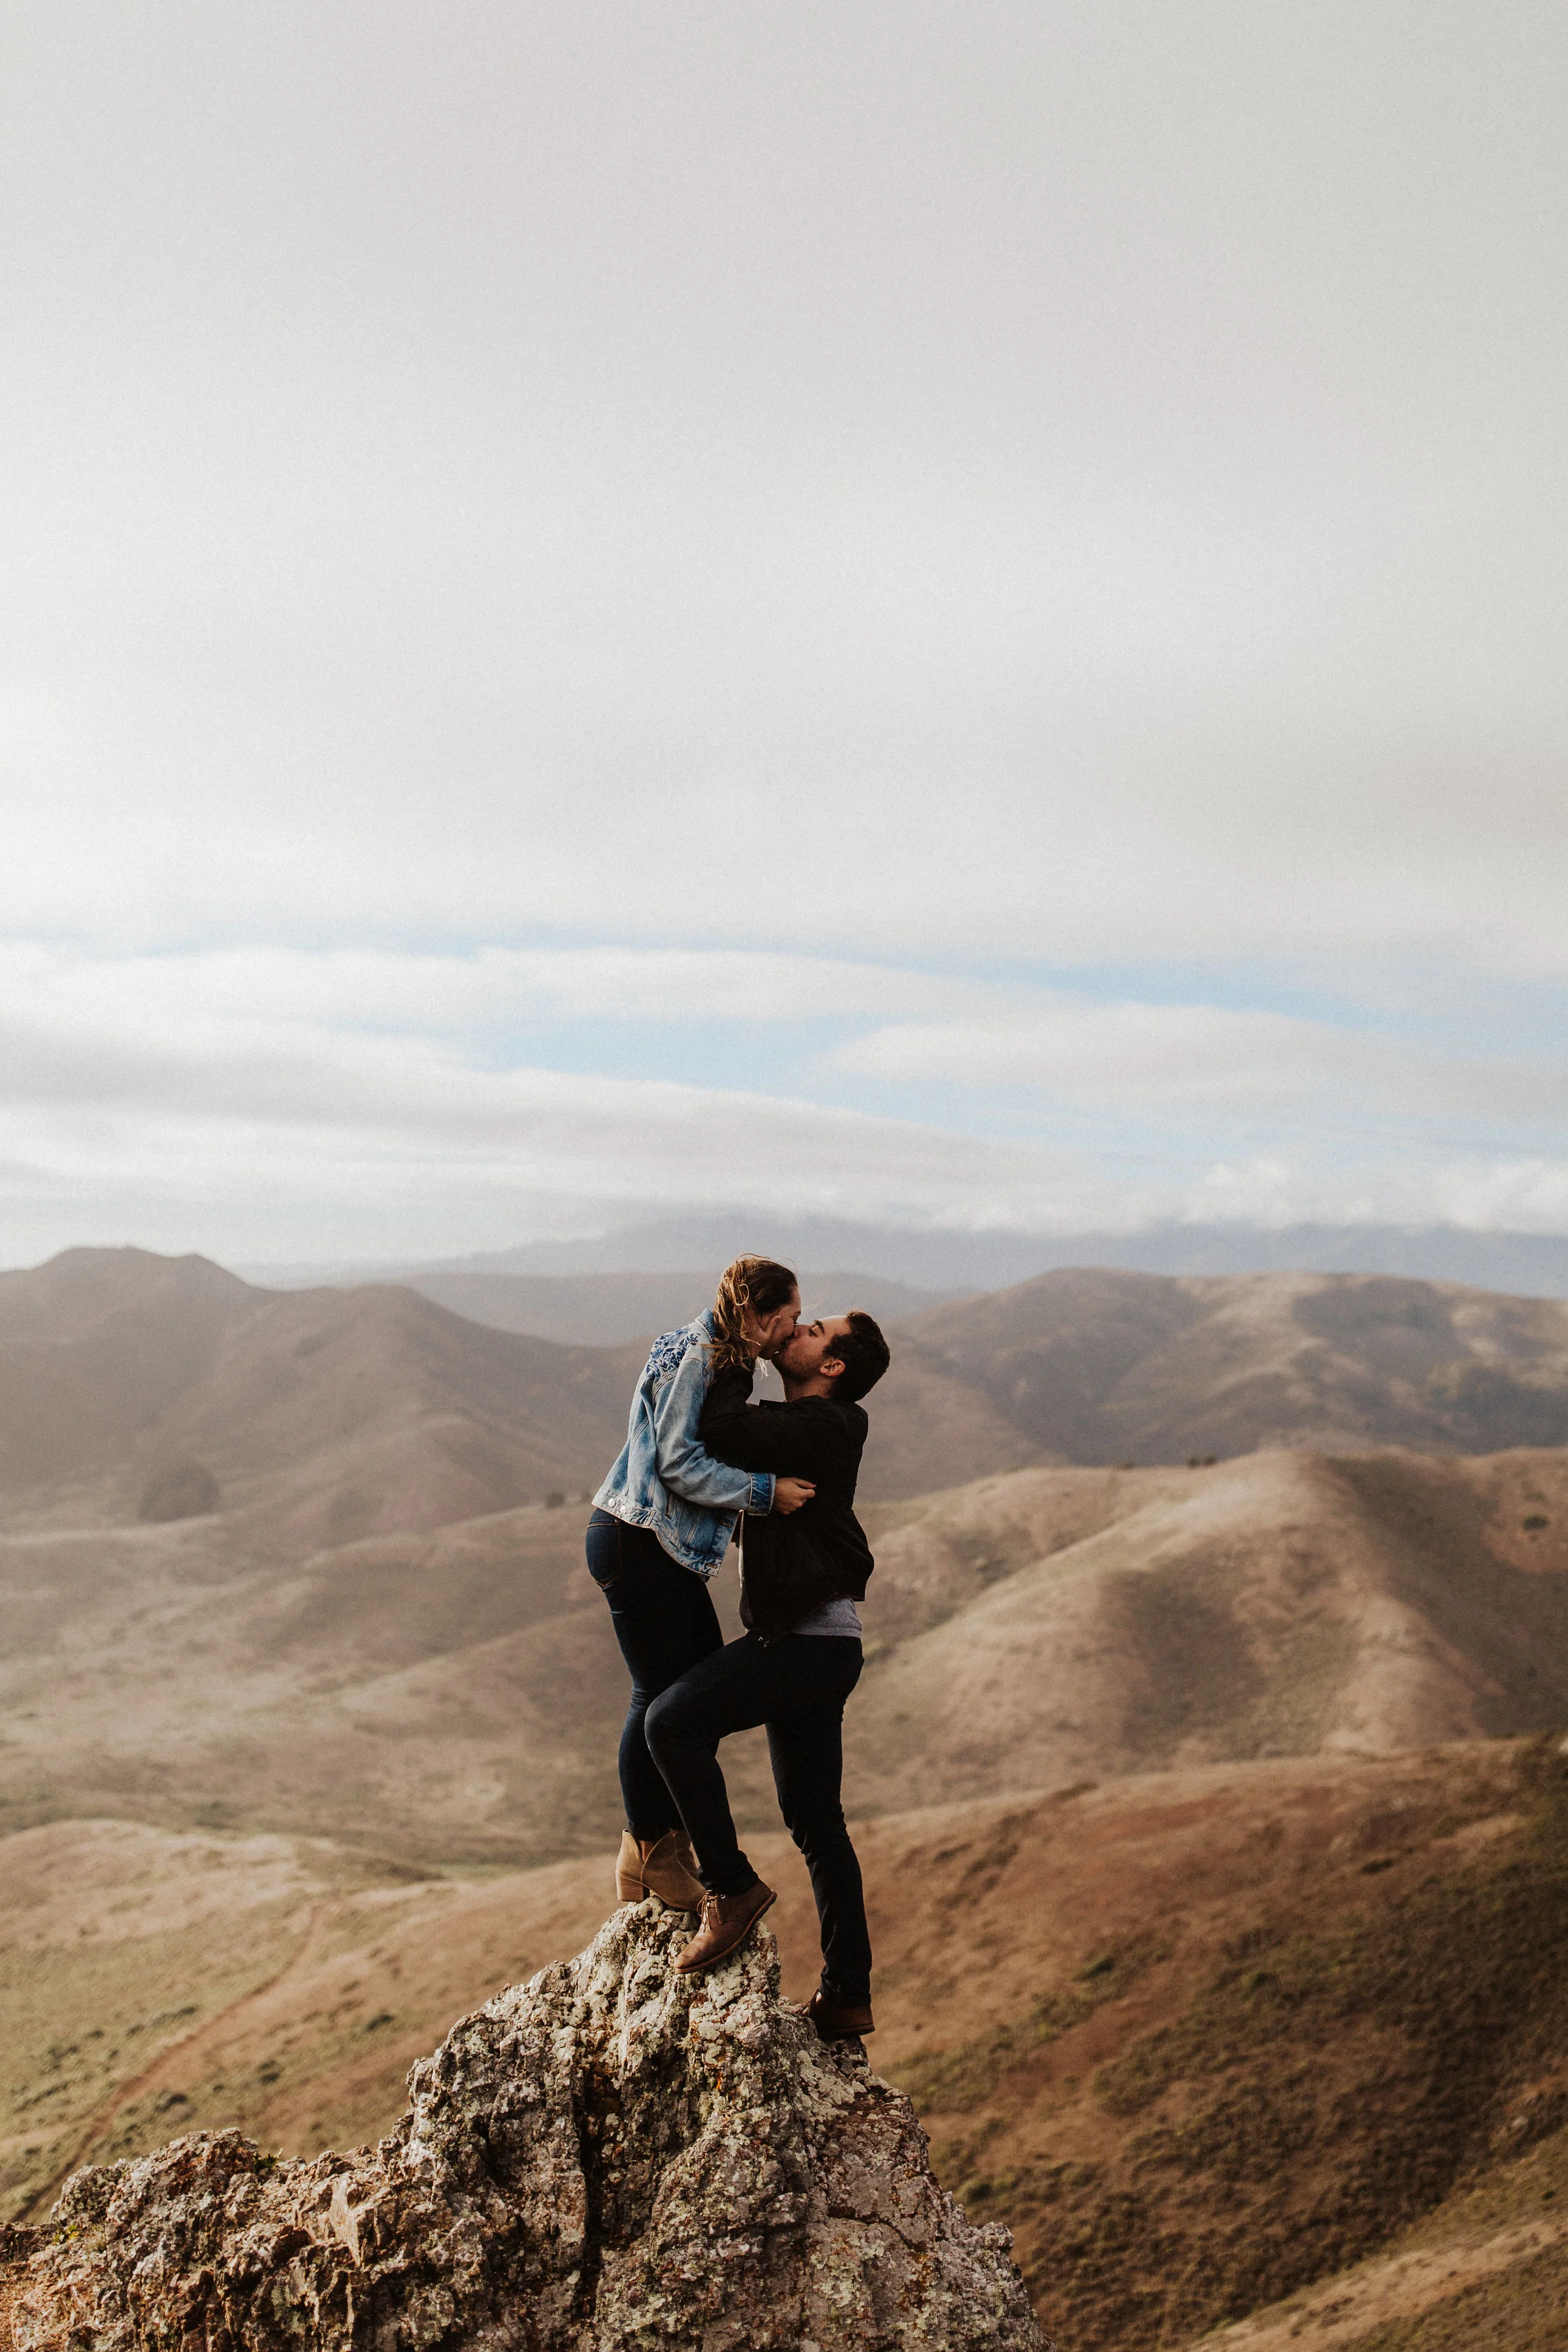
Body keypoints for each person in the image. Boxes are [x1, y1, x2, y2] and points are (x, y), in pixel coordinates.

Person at [643, 1308, 890, 2040]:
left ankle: (731, 1887)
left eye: (811, 1330)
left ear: (833, 1367)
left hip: (806, 1646)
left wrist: (737, 1348)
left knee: (671, 1723)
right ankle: (847, 1997)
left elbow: (722, 1428)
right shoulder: (806, 1425)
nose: (798, 1333)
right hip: (818, 1645)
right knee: (817, 1824)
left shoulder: (827, 1424)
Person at [586, 1256, 813, 1914]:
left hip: (643, 1540)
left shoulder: (704, 1349)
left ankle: (653, 1852)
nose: (792, 1333)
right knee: (661, 1699)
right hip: (638, 1539)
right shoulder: (706, 1358)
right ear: (759, 1312)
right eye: (790, 1318)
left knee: (684, 1699)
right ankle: (652, 1852)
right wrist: (762, 1495)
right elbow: (678, 1462)